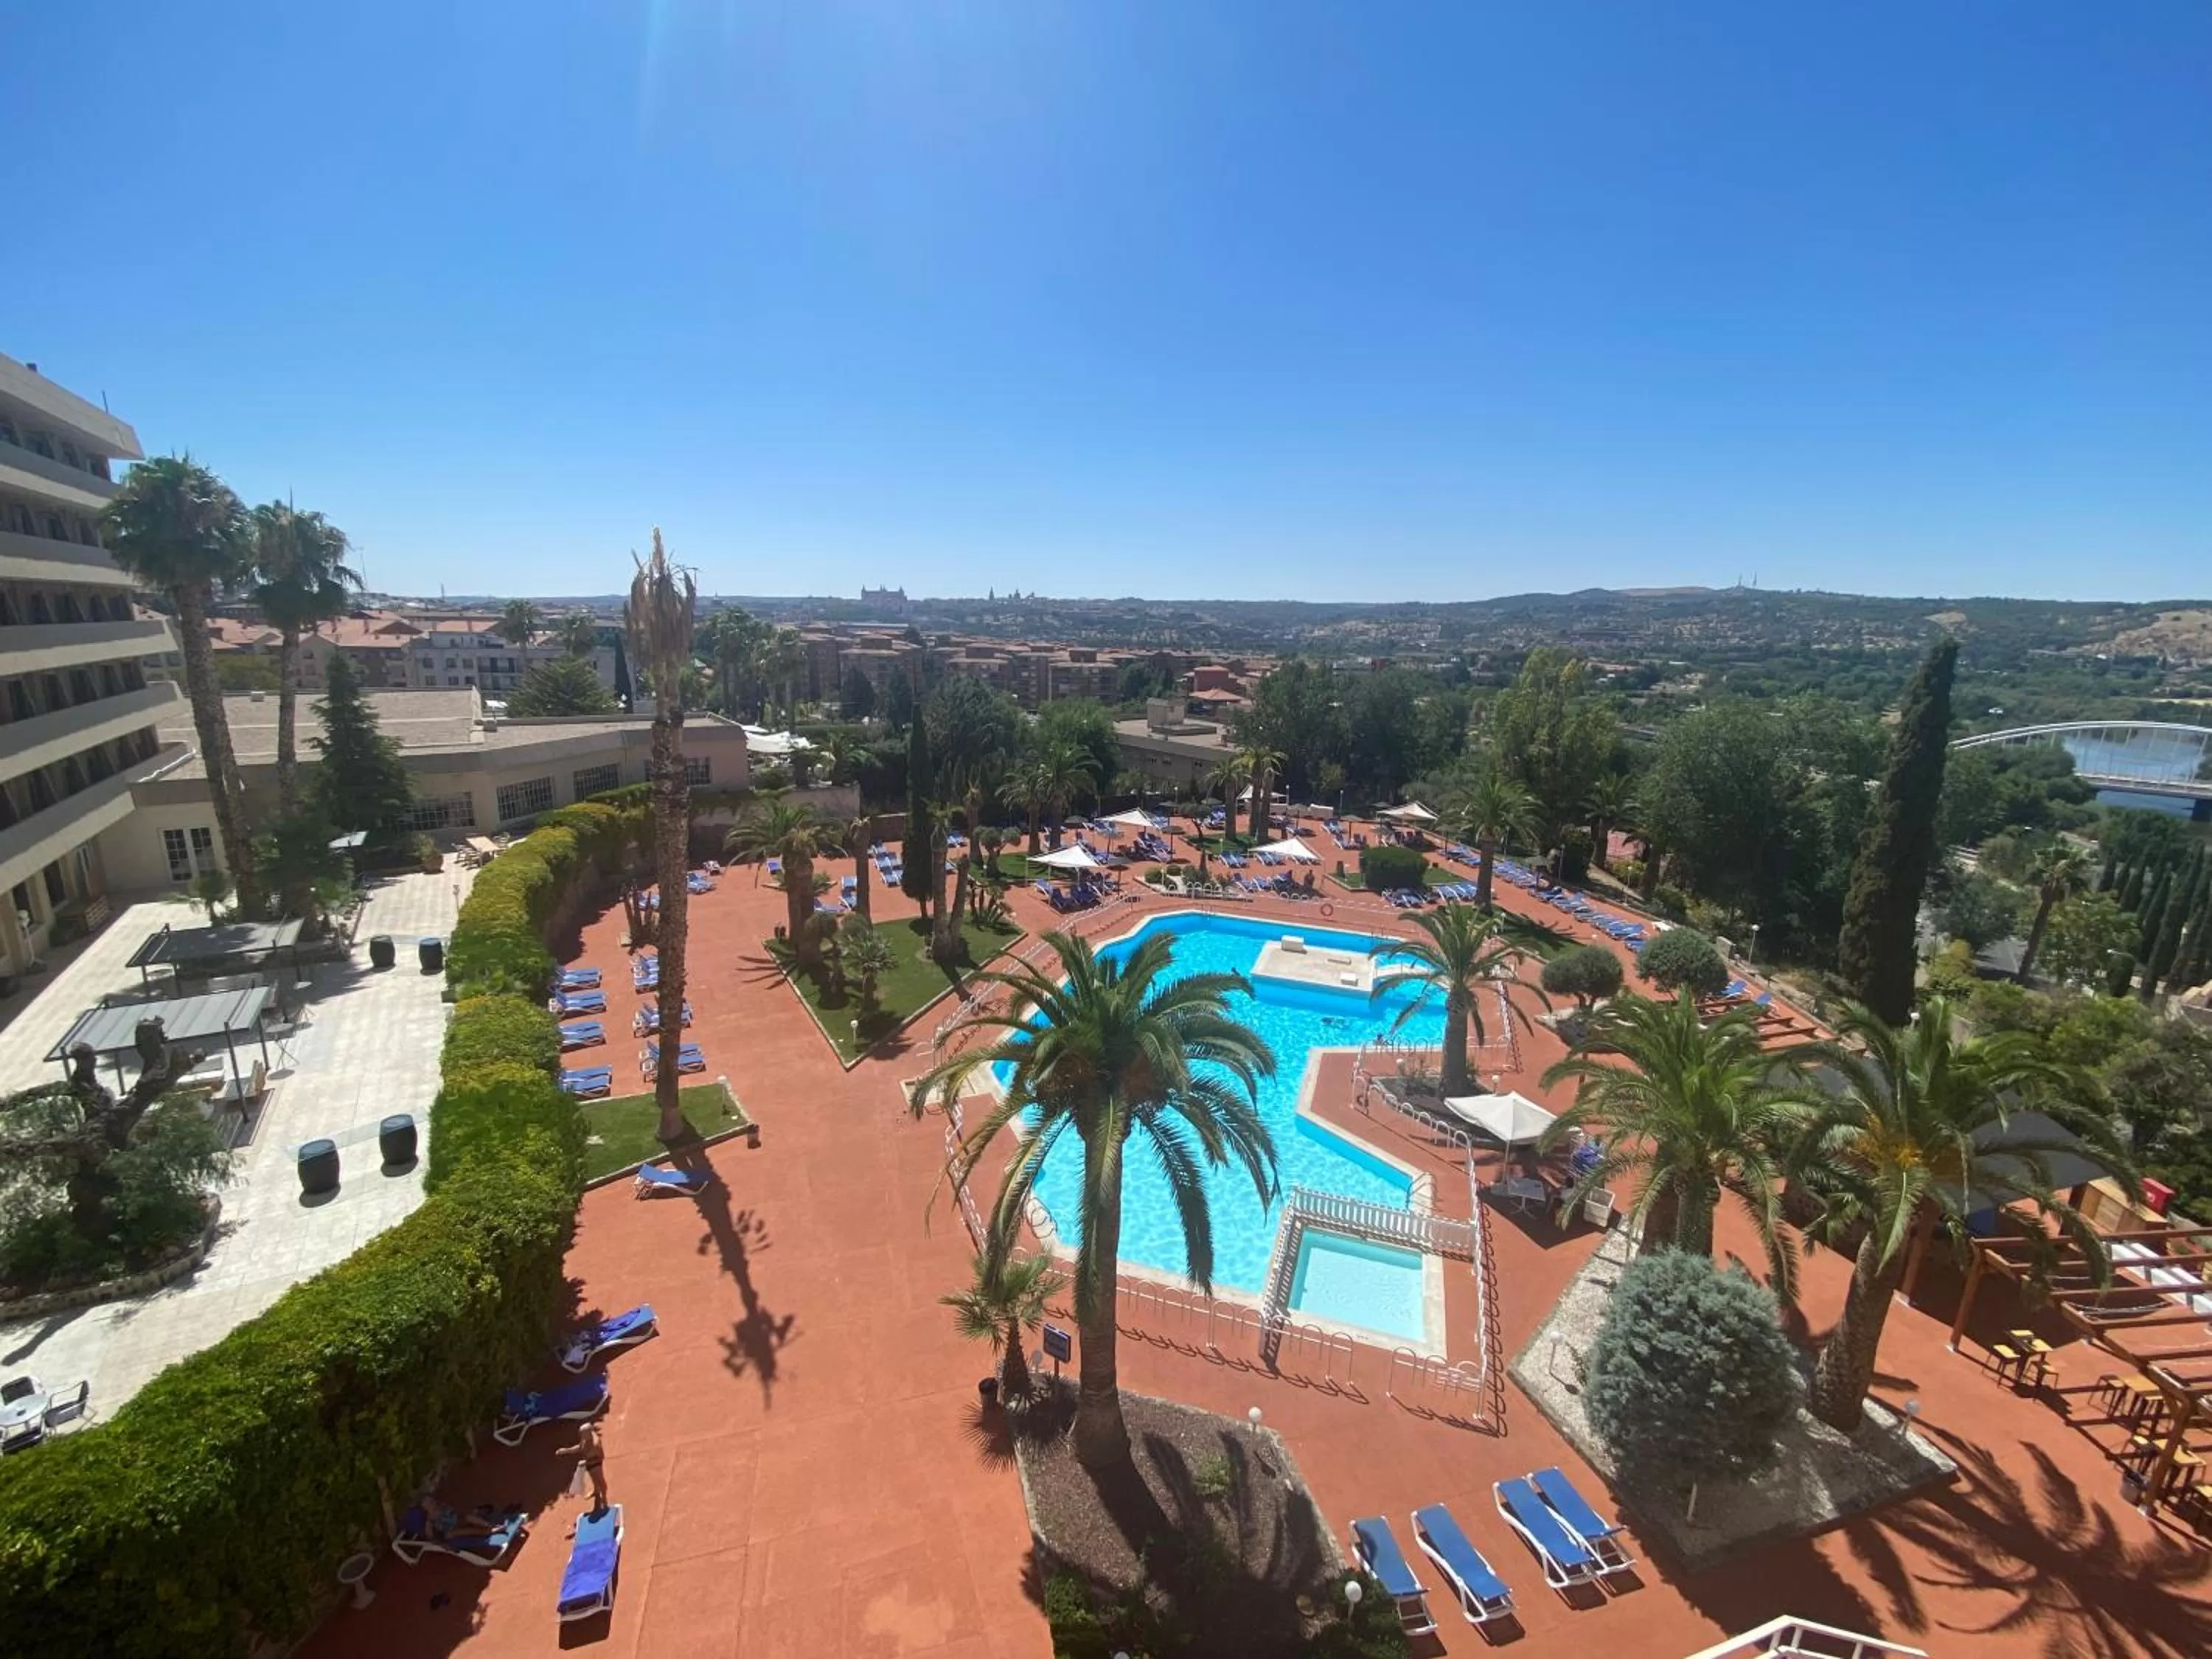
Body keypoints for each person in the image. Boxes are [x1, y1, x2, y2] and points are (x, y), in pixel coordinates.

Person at [571, 1417, 608, 1515]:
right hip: (589, 1465)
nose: (580, 1435)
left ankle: (604, 1500)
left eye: (582, 1434)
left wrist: (586, 1463)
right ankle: (596, 1492)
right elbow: (579, 1447)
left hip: (596, 1465)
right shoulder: (585, 1440)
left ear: (588, 1434)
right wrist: (566, 1451)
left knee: (602, 1484)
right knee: (594, 1479)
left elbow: (601, 1457)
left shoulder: (596, 1444)